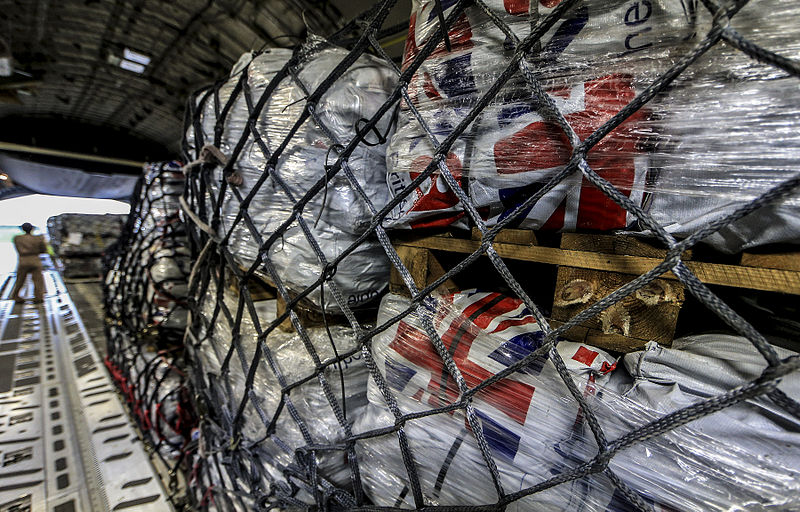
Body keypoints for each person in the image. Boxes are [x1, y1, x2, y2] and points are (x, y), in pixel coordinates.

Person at [11, 223, 47, 304]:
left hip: (23, 260)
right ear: (32, 229)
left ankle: (16, 295)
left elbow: (17, 248)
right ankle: (38, 297)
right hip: (35, 259)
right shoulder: (38, 238)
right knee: (38, 280)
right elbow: (44, 249)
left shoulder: (17, 238)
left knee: (20, 280)